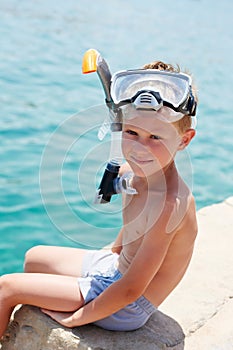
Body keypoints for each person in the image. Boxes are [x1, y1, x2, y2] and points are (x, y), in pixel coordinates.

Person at [0, 60, 198, 337]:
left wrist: (78, 318)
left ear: (184, 140)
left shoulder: (168, 205)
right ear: (119, 127)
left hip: (128, 305)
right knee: (35, 258)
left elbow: (132, 288)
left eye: (155, 137)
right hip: (115, 268)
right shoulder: (137, 173)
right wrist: (113, 252)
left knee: (6, 287)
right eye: (132, 133)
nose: (140, 148)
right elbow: (132, 231)